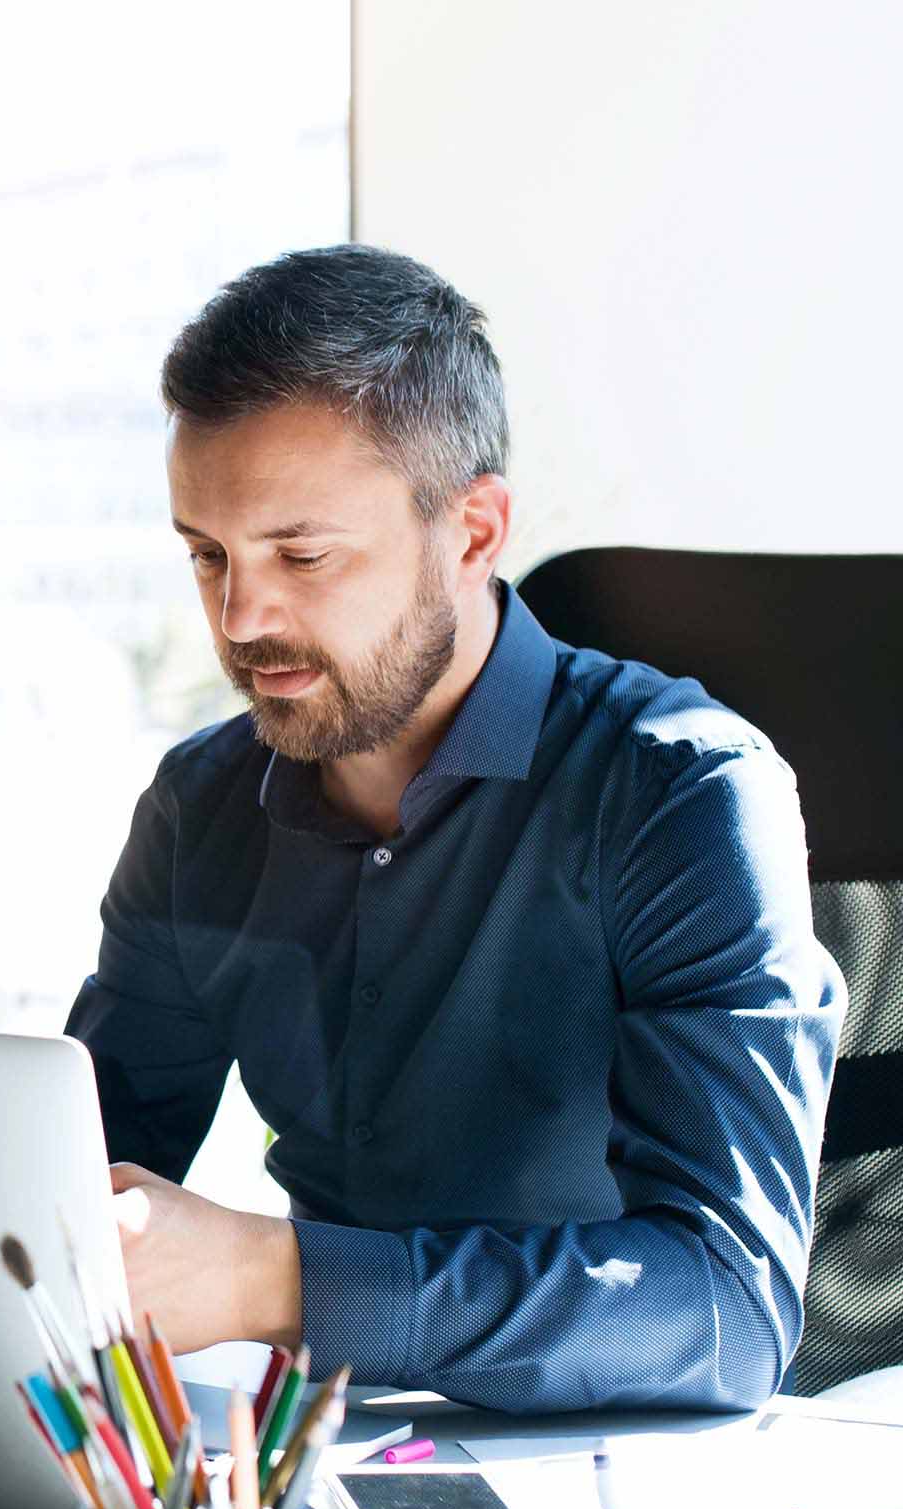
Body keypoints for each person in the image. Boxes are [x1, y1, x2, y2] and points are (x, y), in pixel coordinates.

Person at [70, 245, 841, 1414]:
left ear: (474, 532)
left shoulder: (683, 794)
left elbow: (729, 1313)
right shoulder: (199, 809)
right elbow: (70, 1181)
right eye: (208, 555)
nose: (241, 615)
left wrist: (278, 1278)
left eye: (302, 553)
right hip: (334, 1456)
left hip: (630, 1477)